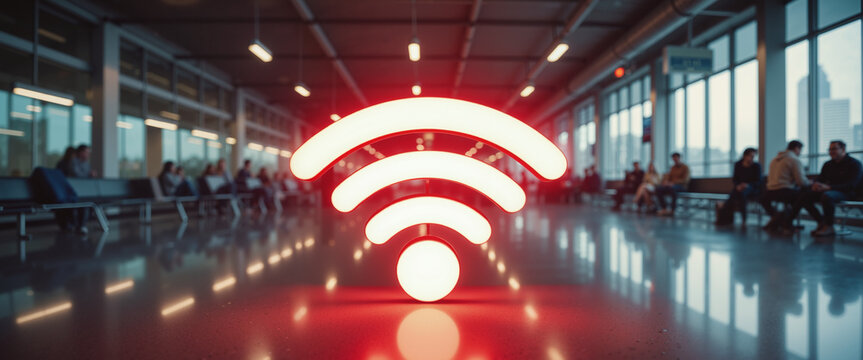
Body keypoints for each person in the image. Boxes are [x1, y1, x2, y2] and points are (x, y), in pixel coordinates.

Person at [784, 140, 862, 237]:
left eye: (834, 149)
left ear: (843, 149)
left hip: (847, 192)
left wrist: (829, 187)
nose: (831, 151)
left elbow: (851, 185)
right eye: (829, 149)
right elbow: (820, 179)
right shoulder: (828, 164)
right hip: (830, 191)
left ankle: (829, 226)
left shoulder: (855, 164)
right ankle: (821, 222)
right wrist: (816, 185)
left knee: (827, 196)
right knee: (804, 195)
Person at [760, 140, 808, 231]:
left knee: (794, 199)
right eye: (800, 150)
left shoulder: (774, 159)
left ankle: (778, 220)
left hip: (769, 192)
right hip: (784, 190)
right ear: (796, 148)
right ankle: (787, 222)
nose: (800, 153)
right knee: (803, 198)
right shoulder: (794, 159)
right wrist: (810, 183)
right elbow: (801, 182)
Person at [716, 148, 762, 226]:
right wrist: (738, 185)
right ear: (745, 156)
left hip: (752, 189)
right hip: (739, 188)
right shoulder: (738, 164)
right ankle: (727, 217)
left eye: (753, 156)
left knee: (739, 194)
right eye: (750, 156)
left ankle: (724, 208)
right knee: (736, 192)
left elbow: (758, 181)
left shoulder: (756, 166)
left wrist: (747, 185)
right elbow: (735, 179)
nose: (752, 158)